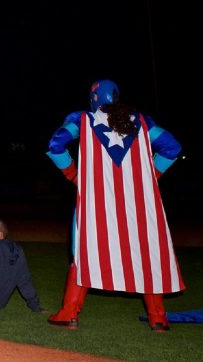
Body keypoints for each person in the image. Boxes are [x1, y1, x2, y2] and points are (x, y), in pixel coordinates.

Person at [46, 80, 184, 331]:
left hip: (95, 202)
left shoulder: (81, 120)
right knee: (147, 252)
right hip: (140, 204)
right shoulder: (143, 122)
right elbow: (173, 148)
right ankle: (158, 318)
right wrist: (150, 176)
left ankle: (69, 313)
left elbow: (56, 146)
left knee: (85, 252)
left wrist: (74, 177)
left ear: (94, 98)